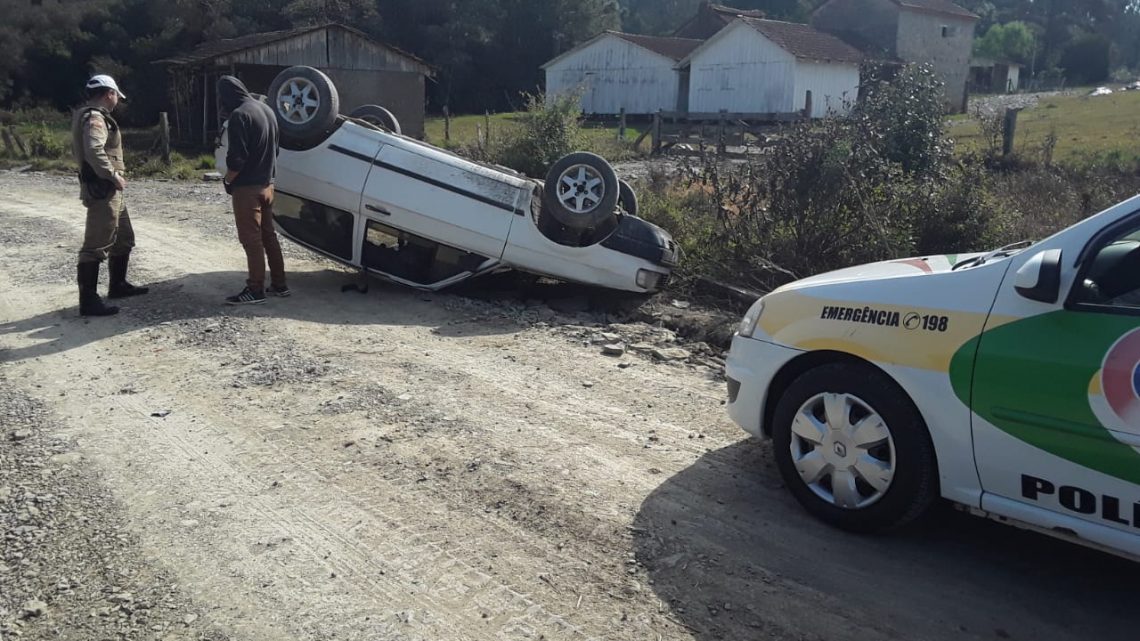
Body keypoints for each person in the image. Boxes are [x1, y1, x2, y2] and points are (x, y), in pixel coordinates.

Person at [71, 74, 148, 317]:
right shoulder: (95, 118)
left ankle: (118, 285)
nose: (117, 100)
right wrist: (113, 175)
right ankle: (89, 302)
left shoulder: (94, 116)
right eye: (116, 95)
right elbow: (94, 150)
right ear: (109, 94)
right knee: (96, 244)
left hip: (112, 191)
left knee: (123, 237)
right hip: (104, 189)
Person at [217, 75, 289, 305]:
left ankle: (255, 289)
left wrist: (228, 181)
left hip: (248, 189)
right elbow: (276, 151)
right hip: (268, 185)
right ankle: (280, 285)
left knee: (251, 240)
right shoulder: (267, 111)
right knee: (269, 236)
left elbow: (236, 161)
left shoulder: (239, 116)